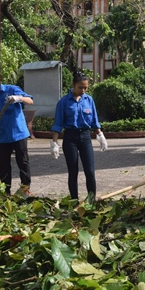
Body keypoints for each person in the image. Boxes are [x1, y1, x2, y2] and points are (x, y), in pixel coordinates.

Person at [50, 71, 107, 200]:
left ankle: (91, 200)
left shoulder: (89, 100)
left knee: (90, 171)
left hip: (85, 137)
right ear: (73, 85)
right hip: (70, 138)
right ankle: (74, 200)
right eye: (80, 87)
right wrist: (54, 143)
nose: (83, 90)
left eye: (85, 87)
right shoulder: (63, 102)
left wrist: (100, 135)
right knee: (73, 171)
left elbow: (94, 120)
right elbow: (58, 124)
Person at [0, 68, 34, 196]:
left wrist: (18, 98)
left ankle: (25, 190)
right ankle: (5, 192)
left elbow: (30, 101)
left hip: (18, 132)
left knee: (23, 162)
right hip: (3, 136)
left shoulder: (11, 89)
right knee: (4, 165)